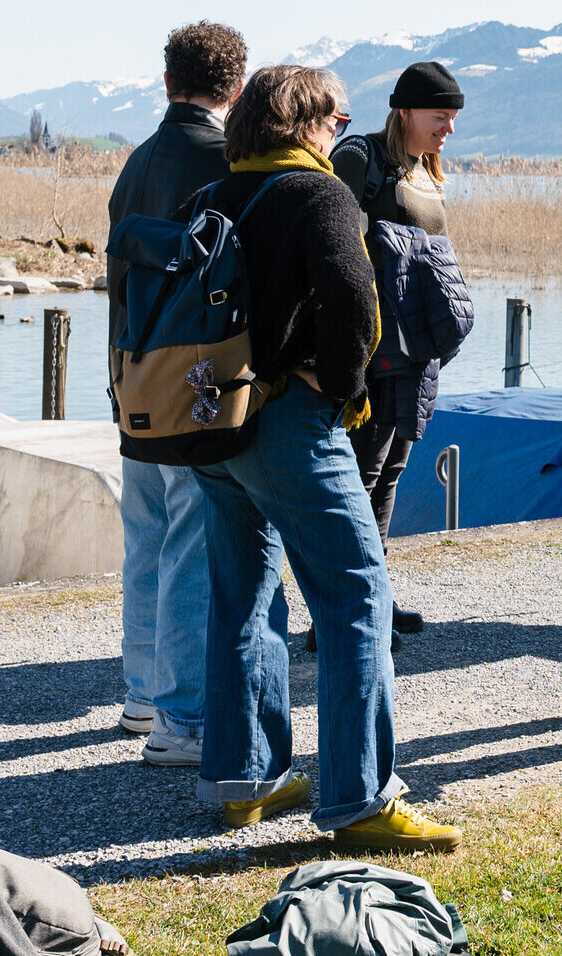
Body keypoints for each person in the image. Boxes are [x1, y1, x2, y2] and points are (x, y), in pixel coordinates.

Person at [181, 65, 460, 849]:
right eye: (337, 119)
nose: (342, 131)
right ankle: (358, 799)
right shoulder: (318, 193)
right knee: (357, 598)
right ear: (305, 123)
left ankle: (246, 779)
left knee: (241, 595)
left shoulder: (211, 197)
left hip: (211, 423)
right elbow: (354, 297)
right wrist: (336, 392)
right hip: (286, 425)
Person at [105, 21, 249, 766]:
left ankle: (140, 693)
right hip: (194, 382)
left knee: (147, 539)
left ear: (167, 81)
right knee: (193, 543)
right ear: (236, 88)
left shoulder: (136, 162)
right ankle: (179, 721)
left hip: (129, 371)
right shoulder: (226, 159)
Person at [332, 60, 471, 636]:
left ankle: (375, 598)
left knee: (388, 473)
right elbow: (336, 250)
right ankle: (343, 609)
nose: (449, 129)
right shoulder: (362, 160)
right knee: (359, 475)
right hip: (374, 350)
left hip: (415, 351)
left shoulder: (424, 168)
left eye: (453, 118)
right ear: (405, 111)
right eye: (440, 116)